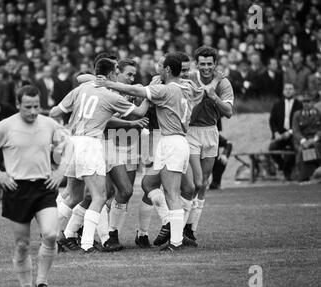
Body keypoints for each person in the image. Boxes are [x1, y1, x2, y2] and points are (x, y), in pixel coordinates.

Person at [96, 53, 211, 251]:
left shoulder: (164, 90)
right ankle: (164, 228)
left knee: (173, 193)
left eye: (160, 65)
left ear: (167, 70)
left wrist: (110, 84)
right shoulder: (187, 87)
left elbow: (135, 91)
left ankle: (175, 240)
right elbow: (199, 92)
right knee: (148, 184)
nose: (156, 67)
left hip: (170, 141)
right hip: (178, 141)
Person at [0, 85, 70, 287]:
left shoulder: (48, 123)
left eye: (37, 106)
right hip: (17, 188)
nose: (34, 111)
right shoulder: (6, 126)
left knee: (51, 235)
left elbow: (69, 144)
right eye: (28, 107)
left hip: (44, 187)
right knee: (22, 244)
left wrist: (61, 170)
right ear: (18, 105)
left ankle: (42, 285)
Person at [50, 58, 149, 253]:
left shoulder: (82, 88)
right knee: (99, 196)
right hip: (92, 144)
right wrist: (150, 94)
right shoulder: (110, 95)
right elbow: (139, 112)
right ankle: (87, 243)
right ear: (113, 73)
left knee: (73, 195)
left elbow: (54, 111)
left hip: (73, 141)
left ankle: (51, 235)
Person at [181, 46, 234, 245]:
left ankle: (190, 229)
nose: (205, 67)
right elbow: (196, 97)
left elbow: (228, 112)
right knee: (196, 183)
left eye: (209, 64)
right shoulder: (189, 79)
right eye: (202, 64)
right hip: (191, 132)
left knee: (203, 183)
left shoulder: (224, 83)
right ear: (196, 64)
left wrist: (215, 96)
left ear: (215, 64)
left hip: (211, 131)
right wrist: (213, 85)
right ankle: (177, 229)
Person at [269, 83, 303, 180]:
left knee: (296, 149)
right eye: (286, 89)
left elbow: (301, 121)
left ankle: (290, 171)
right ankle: (284, 168)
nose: (288, 91)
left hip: (294, 135)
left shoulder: (299, 105)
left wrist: (291, 132)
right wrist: (275, 133)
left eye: (290, 89)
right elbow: (272, 121)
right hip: (280, 135)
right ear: (283, 91)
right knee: (272, 148)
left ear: (294, 91)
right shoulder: (277, 104)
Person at [292, 93, 321, 181]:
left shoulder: (318, 113)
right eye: (304, 102)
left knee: (315, 147)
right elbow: (295, 130)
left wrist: (315, 139)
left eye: (308, 101)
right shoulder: (297, 114)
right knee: (303, 150)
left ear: (312, 102)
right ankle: (305, 176)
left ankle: (316, 173)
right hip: (302, 140)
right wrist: (303, 141)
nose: (306, 104)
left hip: (316, 140)